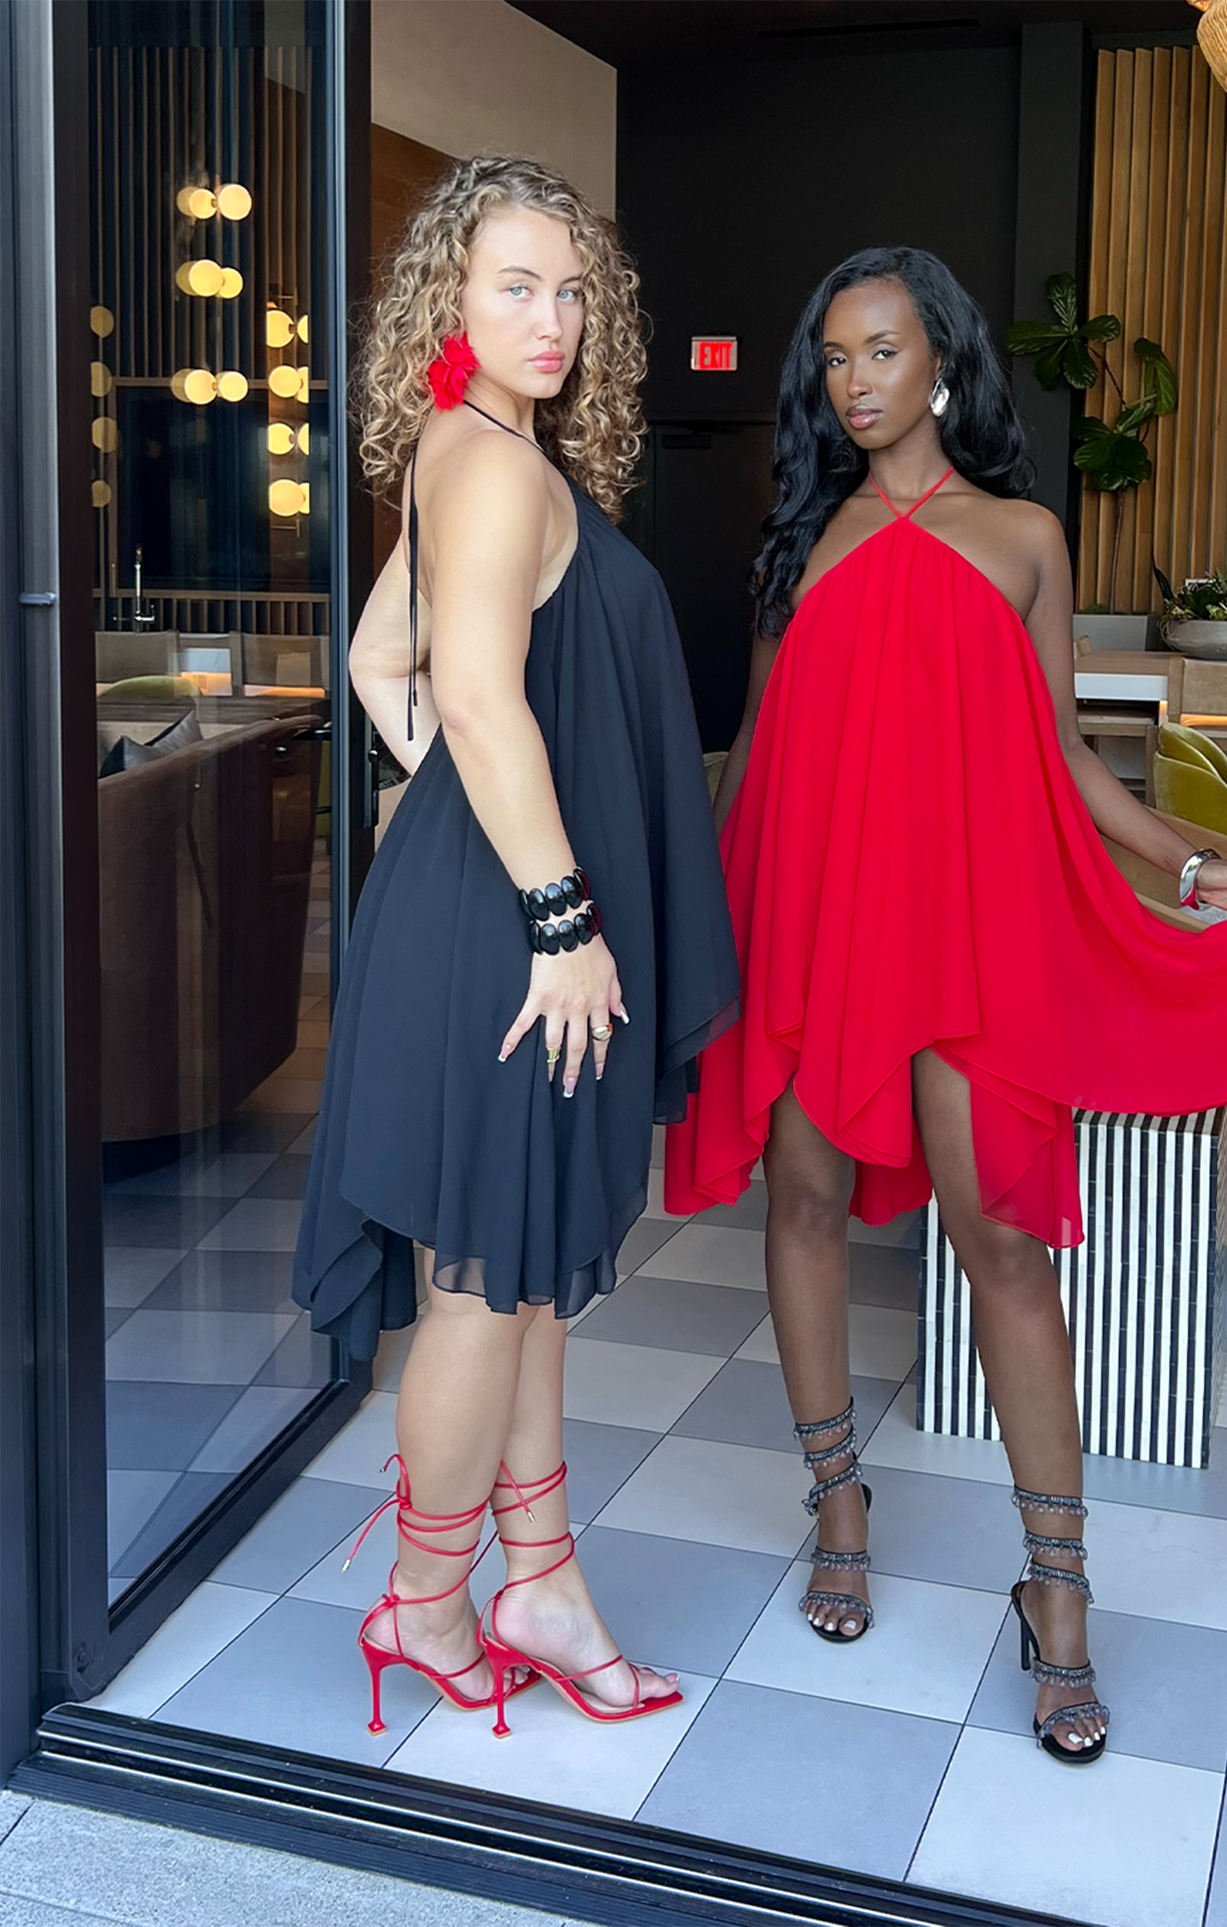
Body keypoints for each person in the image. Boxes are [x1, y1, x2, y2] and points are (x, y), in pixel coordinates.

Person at [666, 246, 1227, 1764]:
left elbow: (1063, 763)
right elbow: (757, 764)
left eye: (883, 351)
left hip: (961, 939)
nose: (857, 382)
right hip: (812, 921)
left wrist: (1204, 864)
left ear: (943, 362)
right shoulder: (802, 545)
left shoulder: (1025, 537)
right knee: (798, 1198)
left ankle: (1058, 1590)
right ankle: (837, 1500)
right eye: (834, 359)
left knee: (998, 1242)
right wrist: (707, 933)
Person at [294, 154, 738, 1739]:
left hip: (496, 910)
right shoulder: (488, 467)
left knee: (527, 1263)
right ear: (449, 301)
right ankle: (422, 1601)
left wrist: (462, 836)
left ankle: (537, 1573)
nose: (550, 318)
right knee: (486, 1282)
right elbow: (469, 695)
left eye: (570, 291)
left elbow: (372, 657)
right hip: (523, 940)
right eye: (513, 286)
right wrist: (546, 906)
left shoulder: (480, 452)